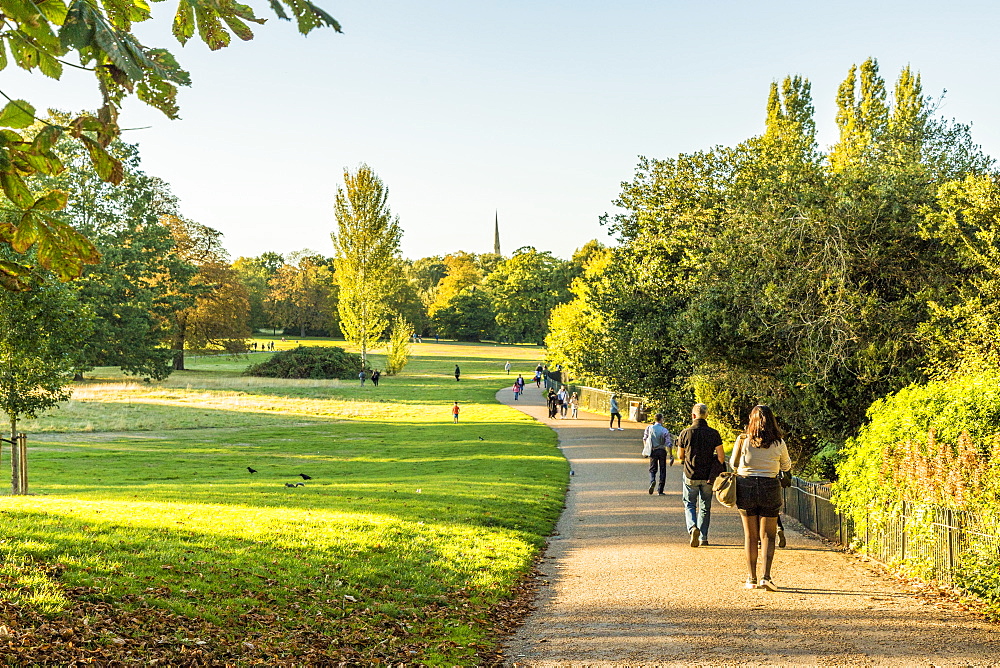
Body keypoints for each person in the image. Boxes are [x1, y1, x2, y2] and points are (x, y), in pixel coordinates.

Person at [732, 404, 792, 591]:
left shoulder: (743, 440)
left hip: (746, 485)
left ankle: (751, 578)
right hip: (769, 486)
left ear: (752, 420)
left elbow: (733, 463)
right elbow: (786, 466)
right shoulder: (778, 443)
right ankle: (766, 577)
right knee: (768, 535)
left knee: (750, 535)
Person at [676, 403, 725, 548]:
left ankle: (692, 528)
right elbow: (721, 457)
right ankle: (703, 537)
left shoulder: (685, 433)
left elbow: (680, 456)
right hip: (708, 476)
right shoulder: (714, 433)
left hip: (690, 474)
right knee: (705, 506)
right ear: (706, 415)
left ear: (693, 416)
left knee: (689, 504)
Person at [644, 413, 673, 495]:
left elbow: (645, 438)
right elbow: (669, 444)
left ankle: (652, 480)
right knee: (662, 469)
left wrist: (646, 449)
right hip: (662, 450)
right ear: (661, 419)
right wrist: (671, 455)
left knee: (652, 468)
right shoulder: (664, 430)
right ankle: (660, 490)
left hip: (653, 450)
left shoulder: (649, 428)